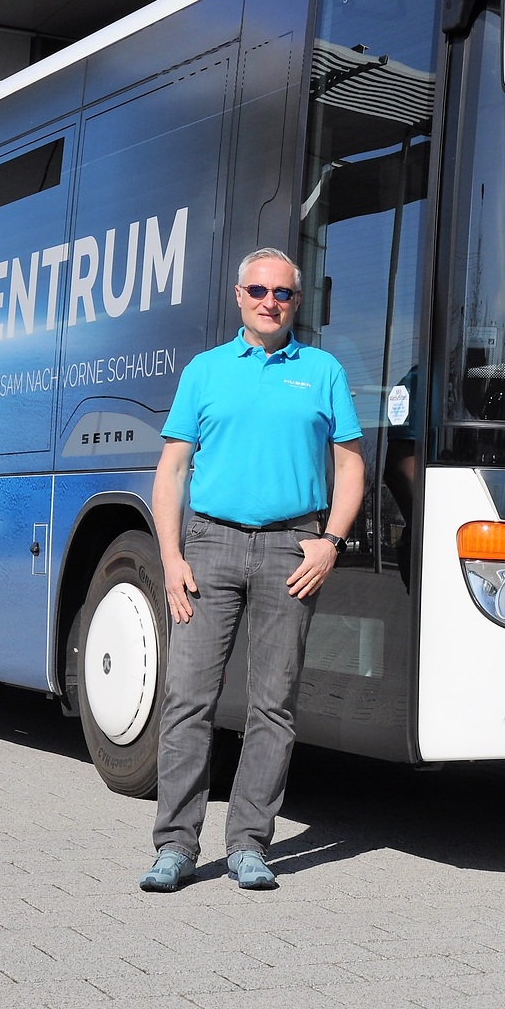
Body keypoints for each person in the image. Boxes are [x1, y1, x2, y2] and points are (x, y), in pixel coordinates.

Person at [139, 247, 364, 893]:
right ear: (240, 296)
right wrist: (172, 555)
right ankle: (176, 847)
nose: (271, 302)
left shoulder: (322, 371)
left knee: (274, 704)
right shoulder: (205, 372)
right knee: (187, 699)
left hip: (292, 550)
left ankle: (248, 844)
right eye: (260, 291)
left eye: (284, 294)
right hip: (209, 546)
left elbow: (350, 466)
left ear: (297, 302)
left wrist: (331, 543)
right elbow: (173, 470)